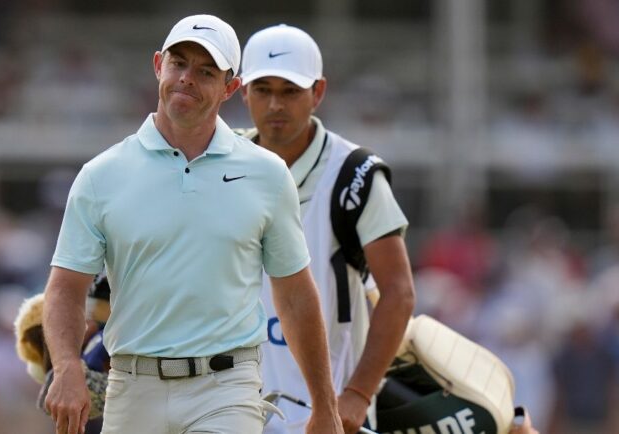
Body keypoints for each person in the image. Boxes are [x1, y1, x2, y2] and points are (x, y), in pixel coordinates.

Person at [41, 14, 343, 434]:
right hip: (132, 387)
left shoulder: (267, 175)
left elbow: (294, 295)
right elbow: (65, 288)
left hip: (227, 389)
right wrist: (67, 366)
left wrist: (324, 405)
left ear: (230, 88)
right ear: (158, 65)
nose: (186, 78)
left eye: (205, 72)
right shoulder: (101, 175)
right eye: (178, 63)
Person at [238, 24, 417, 434]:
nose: (275, 104)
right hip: (232, 411)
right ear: (243, 91)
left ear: (318, 92)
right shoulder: (222, 163)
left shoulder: (354, 175)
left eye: (290, 91)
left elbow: (399, 293)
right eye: (262, 89)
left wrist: (356, 395)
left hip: (324, 417)